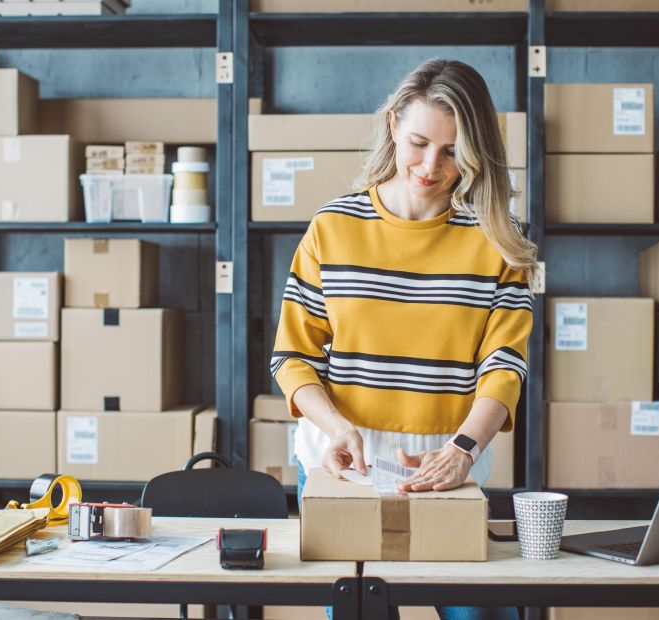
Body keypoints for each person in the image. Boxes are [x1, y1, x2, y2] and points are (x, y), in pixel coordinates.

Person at [271, 58, 536, 620]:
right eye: (419, 142)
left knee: (482, 615)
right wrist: (336, 426)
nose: (430, 166)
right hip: (344, 464)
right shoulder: (332, 227)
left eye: (452, 151)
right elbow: (292, 356)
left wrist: (464, 449)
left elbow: (506, 364)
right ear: (393, 125)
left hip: (449, 463)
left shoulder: (497, 241)